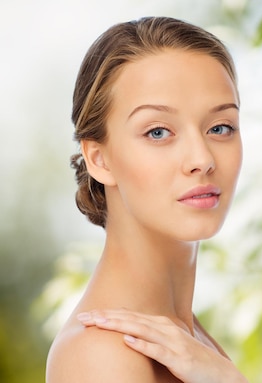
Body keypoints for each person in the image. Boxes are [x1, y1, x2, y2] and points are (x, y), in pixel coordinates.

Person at [46, 16, 248, 383]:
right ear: (99, 159)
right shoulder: (101, 355)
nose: (202, 159)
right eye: (158, 132)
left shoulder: (188, 340)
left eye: (220, 127)